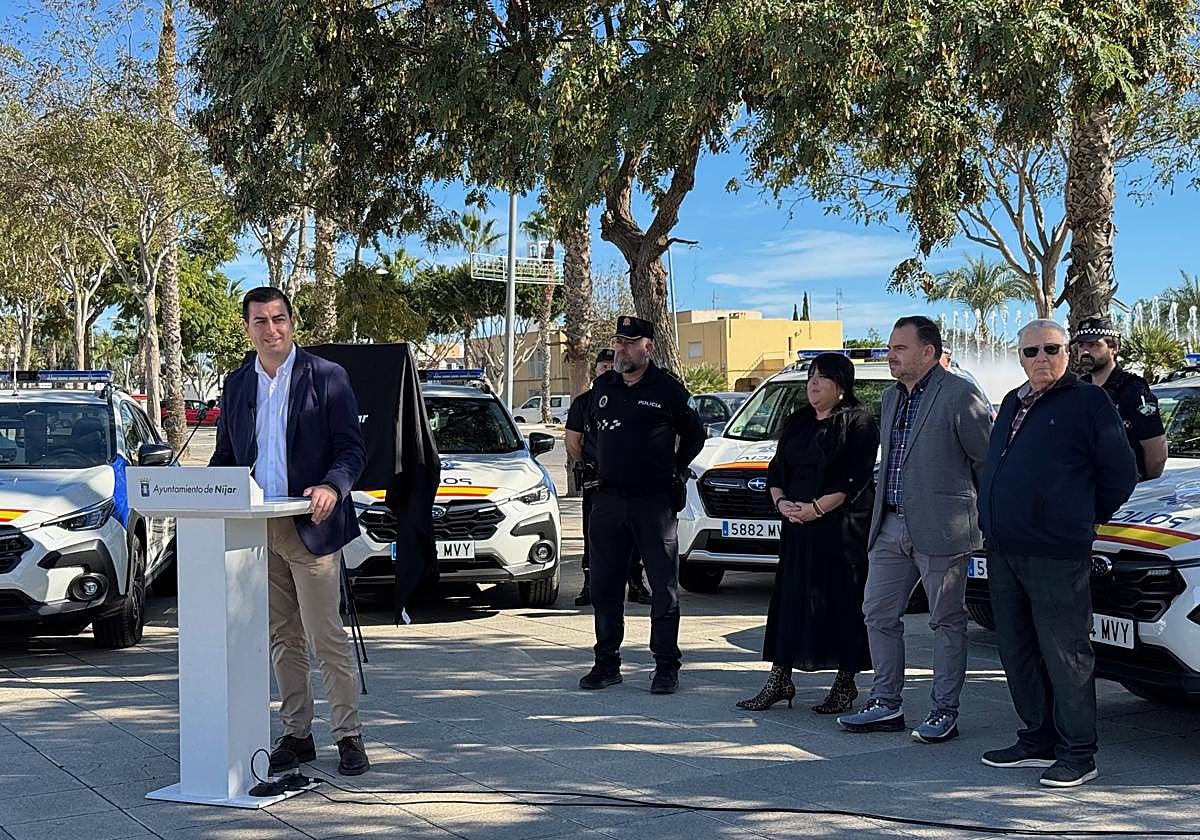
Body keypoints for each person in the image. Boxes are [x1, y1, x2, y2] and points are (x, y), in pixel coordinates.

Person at [210, 286, 370, 777]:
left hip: (313, 527)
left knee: (326, 637)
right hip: (260, 531)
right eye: (260, 321)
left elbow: (352, 450)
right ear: (247, 328)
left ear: (291, 322)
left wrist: (332, 485)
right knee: (283, 637)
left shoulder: (326, 377)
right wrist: (208, 490)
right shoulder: (237, 385)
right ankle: (297, 734)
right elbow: (226, 458)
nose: (271, 329)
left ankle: (349, 737)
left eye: (278, 319)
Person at [979, 318, 1137, 788]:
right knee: (1018, 647)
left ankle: (1078, 752)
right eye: (1031, 352)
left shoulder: (1089, 402)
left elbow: (1120, 474)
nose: (1040, 358)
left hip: (1055, 550)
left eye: (1051, 349)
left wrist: (1078, 516)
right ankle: (1038, 737)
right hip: (1004, 547)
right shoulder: (1012, 401)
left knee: (1065, 652)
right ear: (1020, 357)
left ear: (1068, 353)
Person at [837, 316, 993, 744]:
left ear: (928, 352)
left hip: (943, 528)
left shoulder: (960, 393)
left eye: (899, 348)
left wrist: (986, 519)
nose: (890, 355)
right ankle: (886, 704)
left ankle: (945, 710)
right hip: (889, 525)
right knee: (878, 613)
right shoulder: (890, 398)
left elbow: (986, 461)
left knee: (947, 620)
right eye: (890, 347)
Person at [737, 353, 878, 714]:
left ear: (841, 386)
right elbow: (776, 469)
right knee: (789, 600)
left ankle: (845, 683)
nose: (813, 384)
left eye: (822, 378)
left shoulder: (859, 424)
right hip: (797, 527)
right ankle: (780, 679)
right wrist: (781, 502)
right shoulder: (797, 421)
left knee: (843, 603)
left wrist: (816, 509)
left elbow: (853, 477)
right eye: (811, 377)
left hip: (839, 531)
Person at [578, 316, 706, 695]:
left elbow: (695, 437)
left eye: (631, 343)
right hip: (609, 501)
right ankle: (606, 663)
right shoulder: (603, 386)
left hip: (653, 503)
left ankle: (666, 665)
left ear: (648, 347)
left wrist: (673, 471)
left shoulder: (668, 389)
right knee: (604, 585)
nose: (622, 349)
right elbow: (588, 434)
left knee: (663, 586)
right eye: (619, 342)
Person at [1073, 316, 1167, 480]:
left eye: (1093, 344)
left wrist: (1141, 487)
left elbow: (1157, 453)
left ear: (1114, 348)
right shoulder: (1078, 390)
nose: (1085, 352)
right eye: (1081, 345)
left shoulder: (1133, 390)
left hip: (1127, 495)